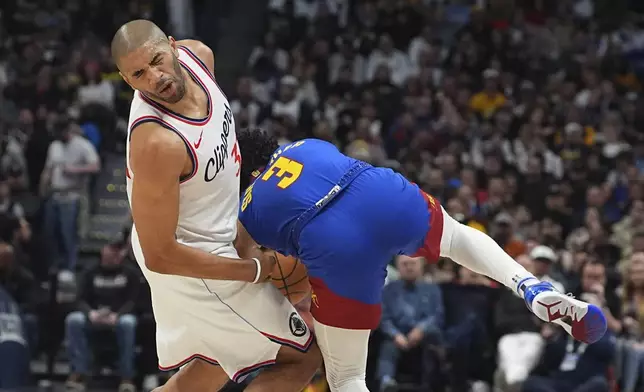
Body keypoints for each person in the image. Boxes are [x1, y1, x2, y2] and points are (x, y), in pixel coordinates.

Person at [236, 128, 608, 392]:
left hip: (331, 242)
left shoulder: (247, 209)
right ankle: (531, 287)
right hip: (375, 191)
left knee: (347, 378)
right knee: (457, 236)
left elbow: (262, 270)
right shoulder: (307, 144)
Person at [111, 20, 320, 392]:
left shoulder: (200, 56)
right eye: (139, 74)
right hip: (189, 261)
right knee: (302, 356)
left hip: (215, 234)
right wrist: (253, 269)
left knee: (212, 369)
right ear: (128, 82)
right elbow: (161, 254)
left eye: (157, 61)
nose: (155, 77)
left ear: (174, 46)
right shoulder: (157, 142)